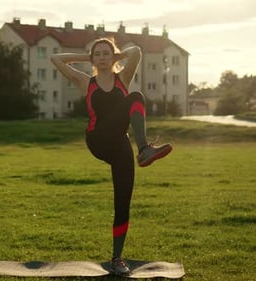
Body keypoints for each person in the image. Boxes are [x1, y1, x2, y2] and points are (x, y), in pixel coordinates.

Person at [50, 38, 172, 276]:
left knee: (123, 203)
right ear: (94, 58)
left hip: (120, 145)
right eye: (99, 54)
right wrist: (89, 58)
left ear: (114, 56)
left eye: (107, 53)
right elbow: (55, 59)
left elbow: (136, 51)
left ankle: (117, 258)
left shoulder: (123, 78)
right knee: (135, 96)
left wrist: (114, 56)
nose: (103, 57)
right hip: (97, 139)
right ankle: (145, 148)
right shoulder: (86, 82)